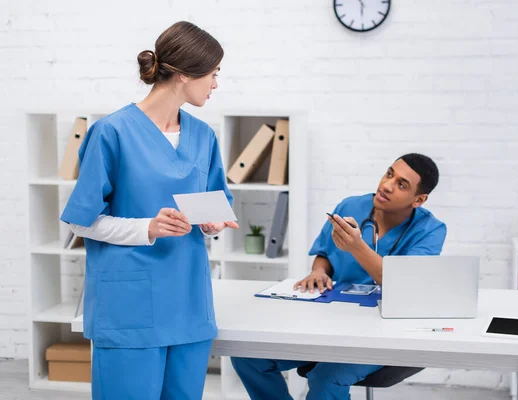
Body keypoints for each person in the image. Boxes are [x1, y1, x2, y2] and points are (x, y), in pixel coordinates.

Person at [60, 21, 238, 400]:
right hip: (130, 308)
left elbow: (214, 208)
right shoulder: (111, 132)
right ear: (185, 74)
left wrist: (211, 225)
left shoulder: (203, 136)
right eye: (213, 73)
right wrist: (148, 229)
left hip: (189, 302)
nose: (216, 84)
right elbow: (80, 220)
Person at [230, 153, 447, 400]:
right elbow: (325, 252)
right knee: (248, 357)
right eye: (389, 174)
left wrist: (357, 246)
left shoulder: (430, 230)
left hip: (381, 333)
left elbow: (402, 285)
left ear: (418, 199)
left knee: (325, 377)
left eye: (401, 184)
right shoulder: (350, 207)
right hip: (330, 321)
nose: (386, 185)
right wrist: (318, 271)